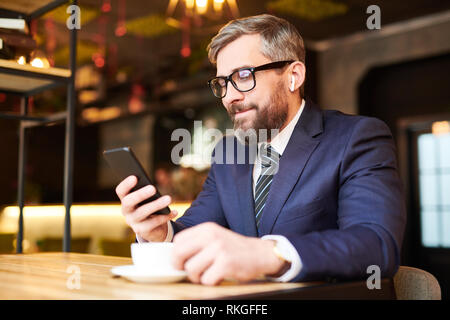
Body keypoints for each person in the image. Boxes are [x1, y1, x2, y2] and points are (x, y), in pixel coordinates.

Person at [115, 14, 406, 286]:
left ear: (294, 76)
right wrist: (159, 232)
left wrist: (266, 255)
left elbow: (376, 245)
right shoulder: (228, 152)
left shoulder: (357, 137)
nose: (229, 96)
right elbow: (192, 230)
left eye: (243, 75)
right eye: (222, 83)